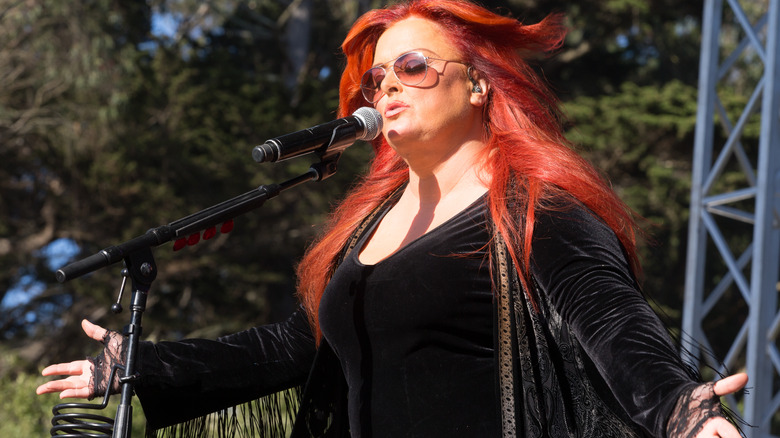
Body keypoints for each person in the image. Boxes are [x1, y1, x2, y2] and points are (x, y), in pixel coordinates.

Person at [37, 0, 748, 437]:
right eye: (379, 78)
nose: (389, 87)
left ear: (476, 85)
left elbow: (611, 319)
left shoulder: (535, 207)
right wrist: (142, 364)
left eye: (413, 67)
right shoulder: (366, 226)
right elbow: (291, 347)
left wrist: (679, 408)